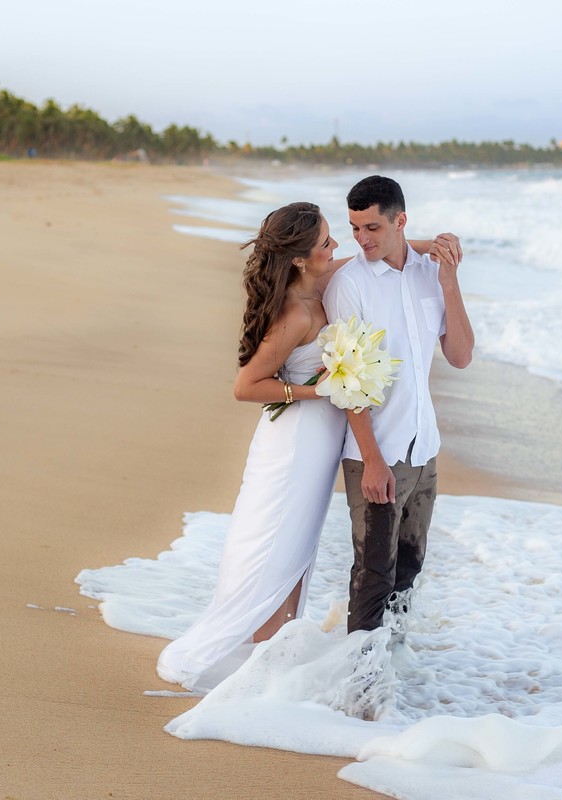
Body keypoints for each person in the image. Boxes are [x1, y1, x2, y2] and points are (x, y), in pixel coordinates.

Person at [156, 201, 461, 691]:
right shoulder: (296, 313)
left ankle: (274, 651)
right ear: (300, 257)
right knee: (277, 544)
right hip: (294, 441)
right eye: (325, 241)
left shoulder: (319, 281)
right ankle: (259, 654)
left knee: (298, 546)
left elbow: (378, 253)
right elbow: (245, 386)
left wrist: (434, 249)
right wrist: (316, 390)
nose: (336, 245)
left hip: (320, 439)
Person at [323, 176, 474, 634]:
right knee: (372, 581)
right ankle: (358, 695)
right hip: (377, 454)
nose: (362, 239)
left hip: (423, 447)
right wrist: (371, 460)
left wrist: (449, 281)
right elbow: (346, 380)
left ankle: (393, 673)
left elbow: (461, 355)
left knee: (408, 575)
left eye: (372, 227)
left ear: (399, 220)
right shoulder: (350, 284)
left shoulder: (431, 274)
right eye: (354, 228)